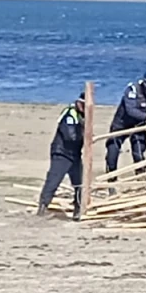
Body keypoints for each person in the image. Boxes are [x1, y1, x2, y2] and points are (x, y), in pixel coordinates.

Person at [105, 70, 146, 178]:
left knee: (139, 152)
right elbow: (130, 110)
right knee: (113, 150)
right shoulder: (132, 90)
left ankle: (140, 176)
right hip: (121, 124)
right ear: (143, 83)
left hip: (138, 125)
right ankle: (111, 177)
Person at [37, 91, 87, 220]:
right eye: (83, 105)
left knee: (79, 183)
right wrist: (85, 138)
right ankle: (43, 207)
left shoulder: (84, 116)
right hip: (62, 153)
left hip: (75, 154)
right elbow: (70, 136)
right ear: (78, 103)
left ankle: (78, 209)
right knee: (54, 180)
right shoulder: (70, 114)